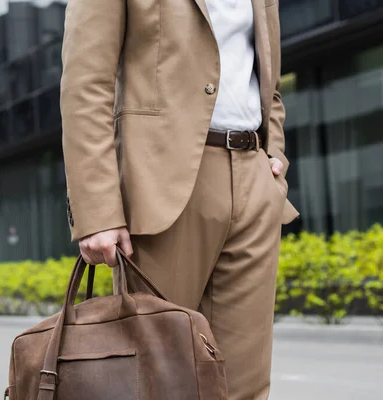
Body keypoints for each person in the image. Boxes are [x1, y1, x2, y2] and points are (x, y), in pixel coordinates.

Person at [60, 0, 299, 399]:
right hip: (160, 185)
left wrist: (273, 152)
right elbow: (86, 83)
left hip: (254, 177)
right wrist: (97, 211)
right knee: (157, 380)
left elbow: (268, 79)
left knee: (244, 385)